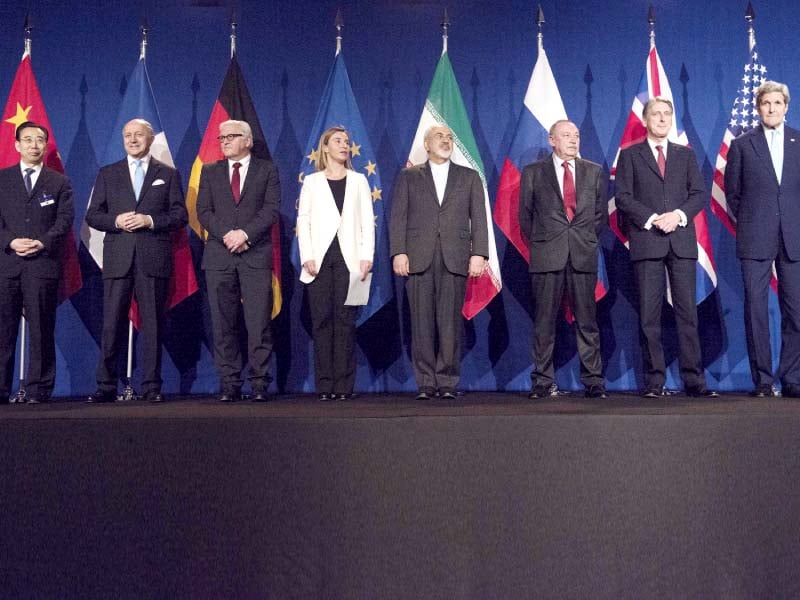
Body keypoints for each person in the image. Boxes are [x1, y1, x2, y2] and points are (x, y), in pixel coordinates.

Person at [615, 97, 717, 398]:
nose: (662, 119)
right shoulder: (630, 155)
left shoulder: (685, 155)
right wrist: (651, 218)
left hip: (681, 242)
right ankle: (654, 382)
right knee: (649, 315)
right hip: (648, 242)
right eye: (656, 114)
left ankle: (694, 381)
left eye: (667, 114)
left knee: (687, 314)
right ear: (645, 120)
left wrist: (679, 216)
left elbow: (698, 194)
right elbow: (622, 197)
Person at [85, 118, 187, 403]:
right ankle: (106, 386)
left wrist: (150, 220)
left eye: (138, 135)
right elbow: (93, 215)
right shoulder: (108, 173)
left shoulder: (167, 174)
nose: (132, 140)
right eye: (127, 135)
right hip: (118, 259)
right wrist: (116, 220)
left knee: (153, 325)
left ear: (150, 138)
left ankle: (151, 386)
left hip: (153, 259)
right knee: (111, 324)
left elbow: (180, 216)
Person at [390, 125, 488, 400]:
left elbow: (479, 218)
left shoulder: (469, 177)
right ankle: (425, 382)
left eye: (449, 137)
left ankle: (447, 381)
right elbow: (398, 217)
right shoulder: (409, 176)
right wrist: (399, 251)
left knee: (450, 324)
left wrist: (478, 253)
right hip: (418, 256)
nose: (446, 140)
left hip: (455, 257)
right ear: (427, 144)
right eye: (439, 137)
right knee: (420, 323)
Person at [518, 119, 607, 399]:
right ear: (552, 140)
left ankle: (593, 381)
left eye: (577, 135)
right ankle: (542, 382)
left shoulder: (593, 172)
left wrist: (582, 240)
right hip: (547, 255)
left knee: (587, 322)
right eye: (566, 135)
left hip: (582, 254)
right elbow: (525, 217)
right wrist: (546, 242)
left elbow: (599, 216)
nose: (573, 140)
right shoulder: (533, 172)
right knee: (544, 322)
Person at [725, 80, 800, 398]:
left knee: (795, 310)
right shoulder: (743, 144)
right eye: (766, 103)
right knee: (756, 309)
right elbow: (733, 193)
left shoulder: (799, 141)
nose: (771, 108)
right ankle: (764, 381)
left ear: (786, 106)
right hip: (755, 236)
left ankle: (793, 377)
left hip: (794, 238)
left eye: (777, 103)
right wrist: (757, 220)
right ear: (758, 108)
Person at [197, 119, 280, 402]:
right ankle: (229, 382)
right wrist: (228, 235)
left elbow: (271, 210)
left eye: (231, 136)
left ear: (247, 140)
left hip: (255, 254)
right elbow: (203, 211)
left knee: (258, 323)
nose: (224, 141)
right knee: (223, 323)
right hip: (220, 256)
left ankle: (259, 383)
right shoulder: (209, 172)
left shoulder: (266, 170)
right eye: (221, 138)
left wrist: (245, 233)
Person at [297, 126, 374, 401]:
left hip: (349, 259)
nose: (344, 145)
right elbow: (303, 219)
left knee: (345, 322)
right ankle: (325, 385)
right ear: (325, 147)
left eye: (346, 142)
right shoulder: (313, 181)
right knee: (322, 322)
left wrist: (367, 256)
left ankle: (344, 386)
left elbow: (367, 221)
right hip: (319, 260)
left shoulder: (359, 181)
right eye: (338, 141)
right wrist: (307, 255)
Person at [0, 122, 74, 404]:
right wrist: (10, 241)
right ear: (17, 145)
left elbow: (64, 221)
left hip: (42, 264)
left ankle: (38, 389)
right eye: (27, 140)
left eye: (39, 140)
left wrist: (42, 242)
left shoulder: (59, 182)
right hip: (7, 262)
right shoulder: (2, 179)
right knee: (3, 329)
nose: (34, 145)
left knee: (41, 329)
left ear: (46, 145)